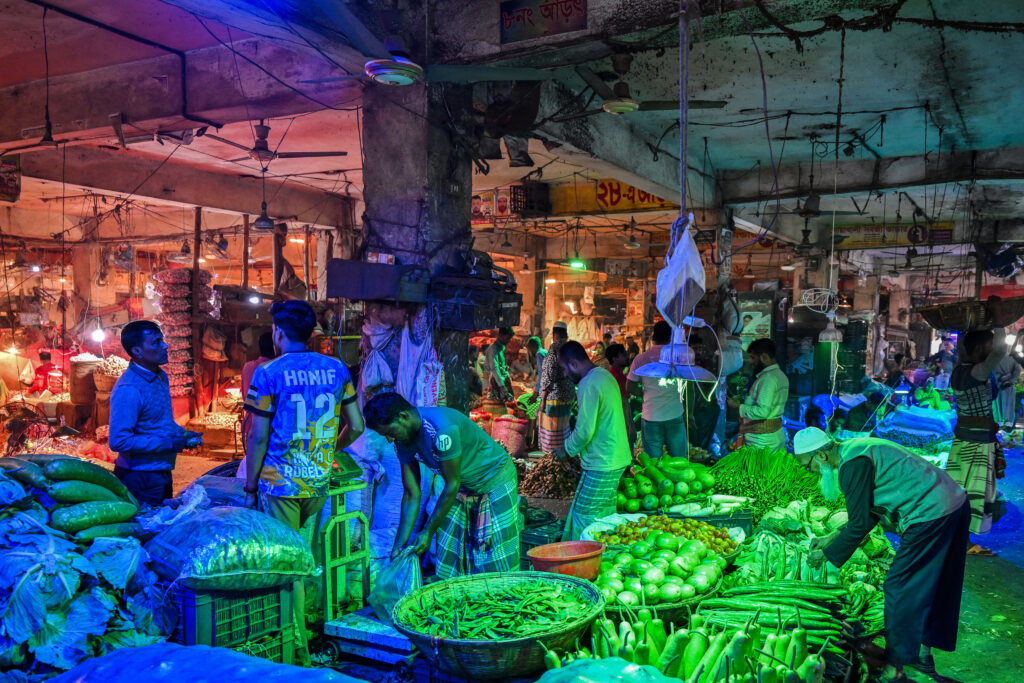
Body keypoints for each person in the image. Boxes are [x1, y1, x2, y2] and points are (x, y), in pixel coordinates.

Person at [794, 428, 969, 683]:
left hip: (931, 513)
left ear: (821, 455)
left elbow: (860, 523)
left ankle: (897, 667)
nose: (809, 471)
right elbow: (867, 513)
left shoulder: (851, 465)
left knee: (899, 586)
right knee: (930, 585)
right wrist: (832, 536)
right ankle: (922, 658)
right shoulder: (854, 449)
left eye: (807, 465)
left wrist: (826, 556)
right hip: (950, 503)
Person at [243, 300, 364, 665]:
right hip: (318, 479)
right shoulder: (337, 369)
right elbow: (357, 426)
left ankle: (295, 653)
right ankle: (300, 639)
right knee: (303, 558)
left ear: (278, 333)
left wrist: (250, 487)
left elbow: (257, 437)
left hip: (278, 480)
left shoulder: (268, 372)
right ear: (311, 333)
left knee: (287, 567)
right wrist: (329, 451)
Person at [363, 392, 520, 578]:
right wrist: (398, 546)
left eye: (390, 433)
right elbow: (412, 493)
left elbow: (452, 484)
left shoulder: (442, 430)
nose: (390, 440)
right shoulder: (401, 440)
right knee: (451, 556)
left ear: (404, 417)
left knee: (492, 556)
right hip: (461, 487)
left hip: (494, 480)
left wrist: (427, 532)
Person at [109, 321, 202, 506]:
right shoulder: (129, 388)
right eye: (156, 342)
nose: (165, 346)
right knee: (146, 521)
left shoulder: (160, 376)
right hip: (139, 477)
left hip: (161, 471)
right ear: (137, 351)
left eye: (162, 340)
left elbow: (159, 420)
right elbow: (119, 441)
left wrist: (182, 434)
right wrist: (168, 443)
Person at [557, 341, 632, 540]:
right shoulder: (604, 375)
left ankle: (585, 556)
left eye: (564, 369)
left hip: (603, 462)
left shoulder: (588, 384)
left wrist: (566, 449)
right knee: (605, 515)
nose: (564, 374)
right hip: (615, 457)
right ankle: (605, 553)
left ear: (573, 364)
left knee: (585, 516)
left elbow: (584, 432)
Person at [947, 328, 1005, 555]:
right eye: (988, 345)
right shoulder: (978, 372)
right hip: (978, 443)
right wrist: (1000, 324)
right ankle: (965, 543)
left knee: (959, 490)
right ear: (979, 348)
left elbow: (966, 350)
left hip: (962, 440)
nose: (992, 349)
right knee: (974, 494)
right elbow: (1001, 351)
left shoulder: (958, 371)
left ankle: (955, 537)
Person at [627, 320, 687, 459]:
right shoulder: (679, 358)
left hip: (651, 415)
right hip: (675, 413)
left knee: (654, 464)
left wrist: (644, 394)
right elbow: (688, 386)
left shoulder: (641, 359)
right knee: (679, 462)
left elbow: (629, 386)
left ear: (653, 338)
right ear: (671, 338)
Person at [727, 338, 789, 451]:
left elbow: (762, 412)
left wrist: (738, 407)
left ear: (764, 357)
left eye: (753, 357)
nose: (751, 362)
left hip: (762, 442)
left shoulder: (768, 379)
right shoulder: (780, 375)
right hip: (771, 437)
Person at [538, 321, 575, 455]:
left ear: (555, 334)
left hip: (555, 396)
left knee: (552, 430)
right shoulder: (571, 348)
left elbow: (549, 374)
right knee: (563, 427)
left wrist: (543, 399)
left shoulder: (554, 348)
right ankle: (564, 453)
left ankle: (553, 456)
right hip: (568, 395)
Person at [483, 327, 514, 403]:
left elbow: (501, 366)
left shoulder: (500, 347)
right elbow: (494, 369)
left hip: (500, 381)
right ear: (501, 336)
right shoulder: (493, 349)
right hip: (495, 382)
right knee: (498, 404)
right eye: (508, 338)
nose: (509, 340)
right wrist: (502, 386)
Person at [994, 353, 1020, 431]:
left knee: (998, 405)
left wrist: (1002, 379)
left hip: (999, 385)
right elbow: (1017, 370)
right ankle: (1007, 424)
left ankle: (1000, 423)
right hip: (1007, 386)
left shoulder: (993, 357)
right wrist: (1009, 379)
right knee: (1009, 405)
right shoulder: (1013, 358)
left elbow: (992, 372)